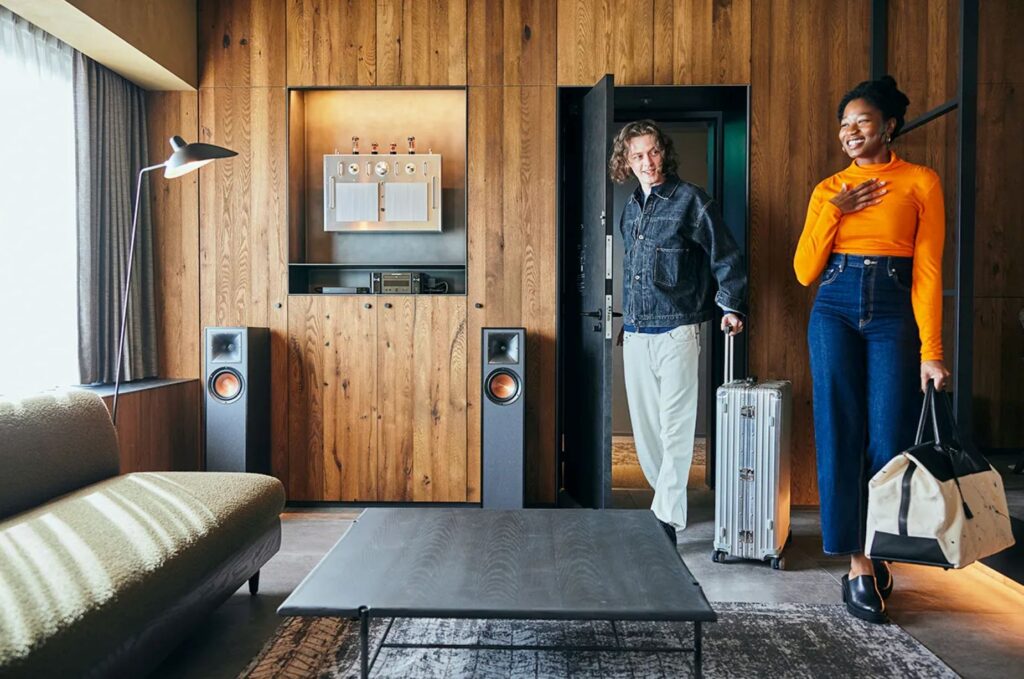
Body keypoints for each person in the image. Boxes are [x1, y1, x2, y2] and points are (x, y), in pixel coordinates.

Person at [794, 76, 951, 624]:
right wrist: (836, 208)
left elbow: (928, 272)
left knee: (888, 437)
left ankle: (881, 550)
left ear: (888, 126)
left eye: (861, 121)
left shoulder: (920, 182)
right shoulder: (827, 188)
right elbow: (804, 270)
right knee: (840, 429)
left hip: (892, 308)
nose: (850, 131)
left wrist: (932, 350)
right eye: (844, 123)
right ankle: (859, 563)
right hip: (833, 305)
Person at [609, 120, 748, 545]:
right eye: (637, 156)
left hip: (678, 330)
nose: (647, 162)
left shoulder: (691, 201)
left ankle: (666, 519)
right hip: (635, 332)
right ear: (626, 162)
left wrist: (730, 305)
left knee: (676, 425)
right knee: (646, 429)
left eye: (652, 152)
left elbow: (726, 255)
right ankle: (662, 502)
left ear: (663, 152)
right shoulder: (631, 207)